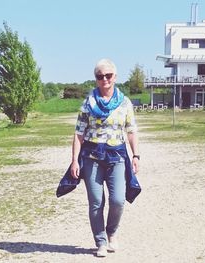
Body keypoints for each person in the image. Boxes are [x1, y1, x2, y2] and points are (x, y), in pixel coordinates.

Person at [70, 58, 140, 257]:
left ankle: (112, 232)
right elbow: (78, 134)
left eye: (108, 75)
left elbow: (132, 131)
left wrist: (136, 155)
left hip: (117, 156)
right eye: (100, 76)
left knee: (118, 200)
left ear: (115, 77)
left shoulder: (125, 103)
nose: (104, 79)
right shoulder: (87, 103)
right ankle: (100, 241)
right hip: (92, 156)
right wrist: (75, 160)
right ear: (96, 79)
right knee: (96, 202)